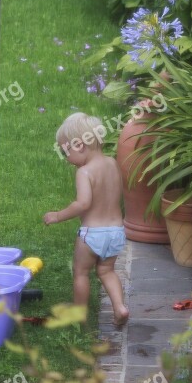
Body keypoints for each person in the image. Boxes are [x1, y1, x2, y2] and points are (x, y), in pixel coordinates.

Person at [43, 112, 129, 326]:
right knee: (106, 271)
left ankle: (79, 314)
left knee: (81, 272)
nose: (67, 159)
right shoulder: (112, 163)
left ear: (79, 145)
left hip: (92, 234)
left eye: (66, 152)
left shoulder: (84, 173)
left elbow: (83, 204)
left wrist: (57, 215)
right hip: (116, 232)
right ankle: (119, 306)